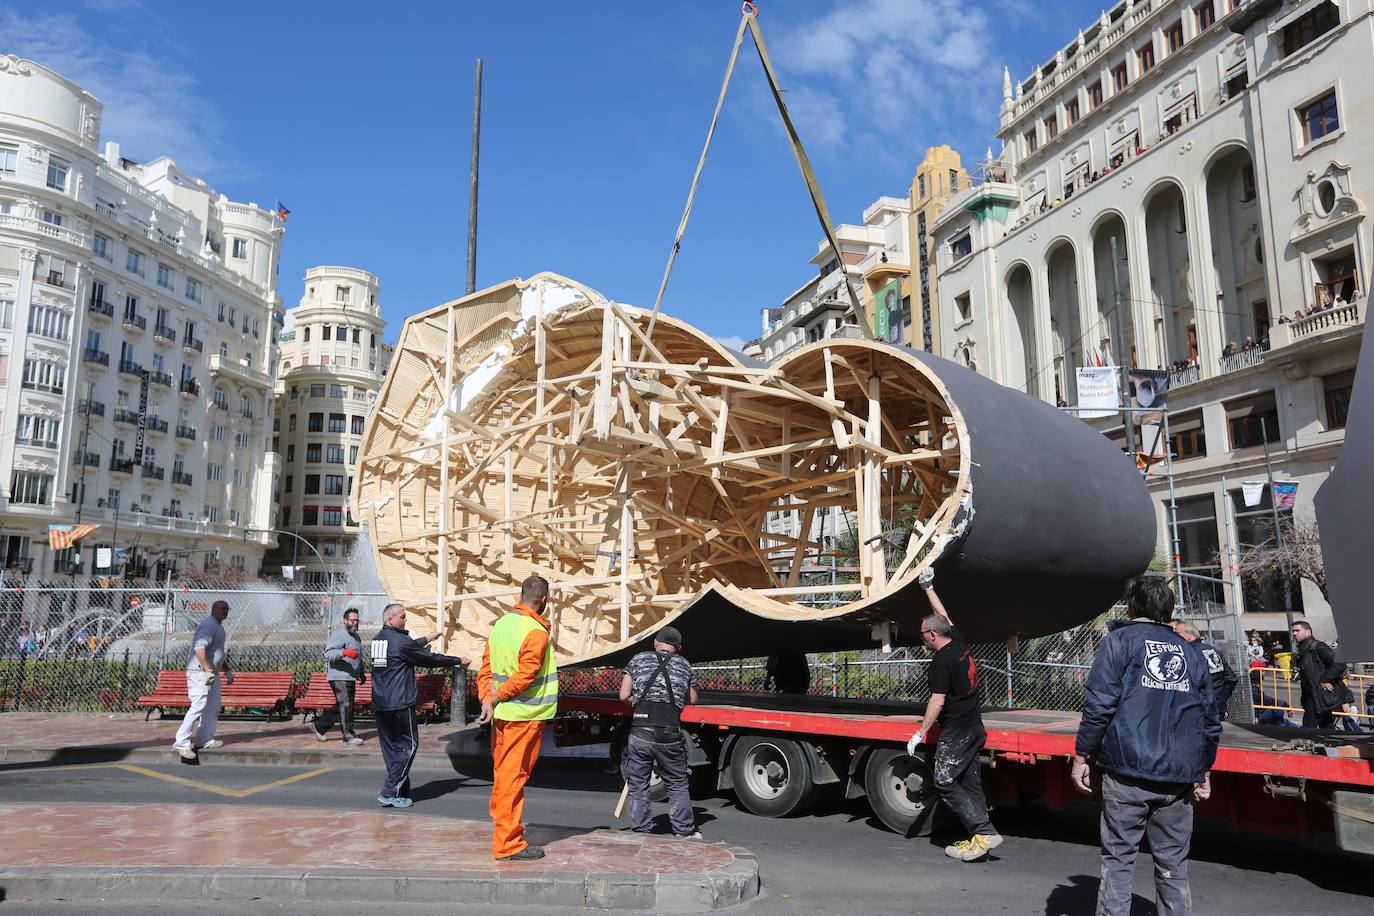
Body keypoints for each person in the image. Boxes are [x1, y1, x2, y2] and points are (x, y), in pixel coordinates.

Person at [1073, 576, 1220, 916]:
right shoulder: (1192, 652)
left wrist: (1081, 755)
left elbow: (1099, 705)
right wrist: (1204, 769)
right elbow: (1209, 719)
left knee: (1119, 863)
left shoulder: (1118, 643)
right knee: (1173, 866)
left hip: (1127, 774)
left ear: (1133, 606)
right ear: (1168, 611)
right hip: (1179, 778)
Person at [907, 571, 1002, 862]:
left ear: (932, 635)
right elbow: (943, 614)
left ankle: (984, 831)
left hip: (958, 732)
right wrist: (928, 587)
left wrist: (920, 732)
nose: (921, 637)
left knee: (945, 780)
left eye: (923, 633)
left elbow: (937, 701)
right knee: (970, 782)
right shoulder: (958, 641)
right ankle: (980, 838)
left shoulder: (941, 662)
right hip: (975, 727)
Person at [477, 575, 559, 861]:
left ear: (521, 594)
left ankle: (503, 827)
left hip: (503, 716)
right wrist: (497, 697)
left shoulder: (501, 625)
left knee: (503, 776)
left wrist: (487, 699)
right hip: (524, 717)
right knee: (514, 778)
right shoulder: (535, 631)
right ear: (544, 600)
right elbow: (526, 674)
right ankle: (507, 843)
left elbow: (486, 669)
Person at [368, 602, 468, 808]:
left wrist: (429, 637)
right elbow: (428, 658)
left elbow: (408, 648)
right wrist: (458, 660)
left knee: (391, 749)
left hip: (381, 703)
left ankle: (399, 788)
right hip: (399, 702)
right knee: (408, 745)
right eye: (402, 617)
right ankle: (389, 792)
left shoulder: (378, 640)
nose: (406, 620)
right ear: (390, 620)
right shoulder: (400, 642)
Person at [619, 626, 701, 839]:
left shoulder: (638, 659)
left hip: (640, 732)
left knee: (638, 783)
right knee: (677, 782)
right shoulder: (684, 665)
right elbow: (692, 699)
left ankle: (641, 830)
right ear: (678, 648)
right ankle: (683, 830)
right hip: (669, 734)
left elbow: (623, 695)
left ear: (655, 643)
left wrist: (638, 703)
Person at [172, 600, 234, 761]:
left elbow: (217, 652)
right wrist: (207, 670)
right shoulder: (209, 625)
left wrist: (226, 670)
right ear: (213, 609)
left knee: (213, 705)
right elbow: (199, 649)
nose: (225, 612)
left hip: (210, 673)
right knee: (198, 705)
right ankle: (182, 743)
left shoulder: (219, 627)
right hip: (199, 672)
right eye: (222, 609)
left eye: (227, 609)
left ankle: (204, 739)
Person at [312, 607, 366, 745]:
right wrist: (344, 652)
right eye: (351, 620)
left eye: (356, 620)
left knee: (342, 705)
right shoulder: (340, 634)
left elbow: (358, 657)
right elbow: (328, 653)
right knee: (346, 705)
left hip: (349, 677)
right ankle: (348, 736)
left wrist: (360, 672)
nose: (354, 623)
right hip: (339, 677)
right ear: (345, 620)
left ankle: (318, 726)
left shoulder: (355, 636)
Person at [1172, 621, 1239, 719]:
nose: (1174, 636)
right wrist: (1220, 697)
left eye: (1177, 633)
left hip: (1200, 708)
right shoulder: (1213, 650)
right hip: (1217, 706)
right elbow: (1231, 678)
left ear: (1189, 634)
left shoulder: (1189, 653)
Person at [1290, 620, 1347, 730]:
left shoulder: (1317, 647)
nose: (1294, 634)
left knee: (1308, 726)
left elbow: (1339, 664)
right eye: (1293, 631)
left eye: (1297, 630)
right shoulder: (1303, 649)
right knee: (1326, 724)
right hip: (1311, 694)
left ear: (1308, 632)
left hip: (1319, 694)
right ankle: (1331, 744)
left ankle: (1307, 743)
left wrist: (1325, 679)